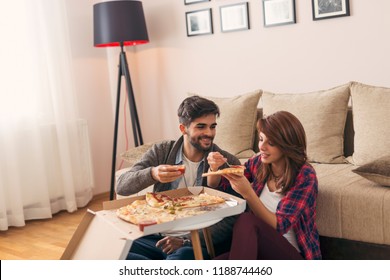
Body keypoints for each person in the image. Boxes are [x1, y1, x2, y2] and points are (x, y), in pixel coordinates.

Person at [116, 95, 241, 260]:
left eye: (213, 126)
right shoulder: (162, 151)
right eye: (201, 127)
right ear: (183, 129)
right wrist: (152, 174)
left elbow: (233, 217)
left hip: (191, 242)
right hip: (153, 235)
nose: (209, 133)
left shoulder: (228, 162)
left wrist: (185, 240)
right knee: (113, 254)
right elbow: (122, 186)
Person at [207, 111, 322, 260]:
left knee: (246, 220)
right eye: (261, 139)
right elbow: (221, 185)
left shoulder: (305, 175)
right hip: (260, 250)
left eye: (271, 143)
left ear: (287, 145)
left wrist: (248, 193)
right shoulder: (259, 163)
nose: (262, 147)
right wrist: (214, 168)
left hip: (292, 256)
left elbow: (280, 226)